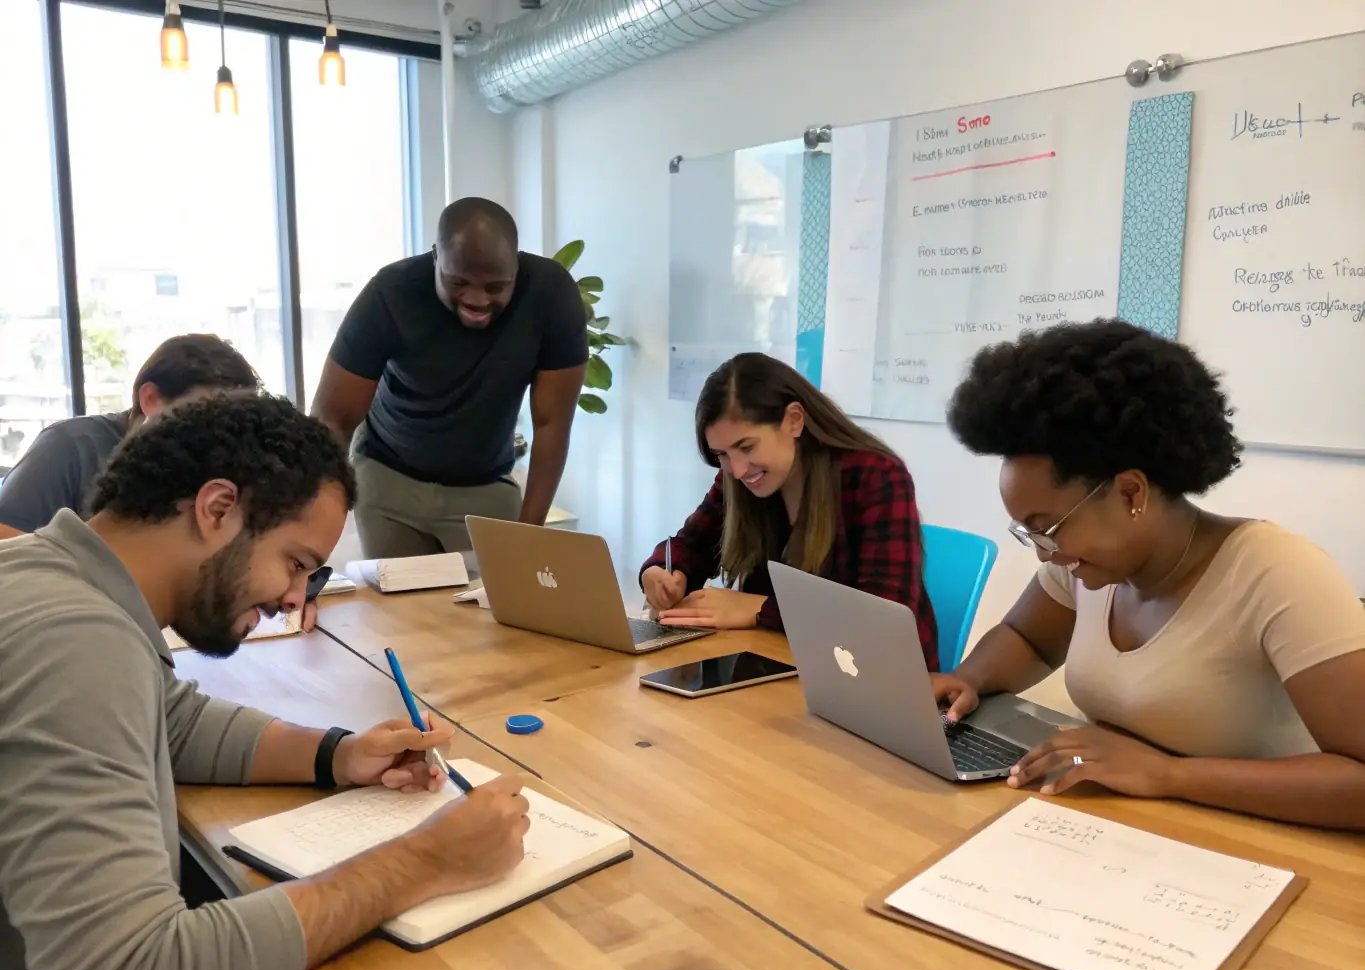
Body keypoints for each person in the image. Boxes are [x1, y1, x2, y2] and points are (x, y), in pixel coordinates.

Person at [0, 393, 531, 970]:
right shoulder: (78, 646)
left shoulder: (38, 573)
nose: (293, 597)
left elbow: (172, 721)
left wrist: (338, 754)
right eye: (295, 562)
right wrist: (422, 861)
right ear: (217, 508)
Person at [937, 319, 1365, 831]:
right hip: (1128, 831)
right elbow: (1028, 638)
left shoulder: (1279, 575)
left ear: (1131, 493)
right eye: (1029, 534)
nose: (1044, 555)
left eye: (1047, 530)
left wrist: (1168, 775)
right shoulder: (1087, 566)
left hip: (1265, 847)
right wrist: (968, 679)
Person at [311, 197, 588, 558]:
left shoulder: (551, 295)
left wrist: (529, 533)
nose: (476, 301)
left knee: (497, 609)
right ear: (435, 257)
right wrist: (314, 524)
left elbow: (552, 423)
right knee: (402, 612)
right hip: (388, 478)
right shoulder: (391, 293)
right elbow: (333, 417)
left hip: (486, 486)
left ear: (516, 268)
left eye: (495, 287)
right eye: (457, 282)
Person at [640, 352, 939, 667]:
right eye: (721, 454)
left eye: (746, 447)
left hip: (880, 679)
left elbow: (883, 614)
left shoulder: (876, 475)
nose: (737, 470)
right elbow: (692, 543)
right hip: (782, 667)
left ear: (794, 421)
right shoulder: (739, 478)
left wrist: (760, 609)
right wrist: (662, 572)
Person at [0, 333, 260, 540]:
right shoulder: (71, 446)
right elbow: (4, 535)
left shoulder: (222, 464)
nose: (217, 435)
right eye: (202, 416)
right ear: (151, 399)